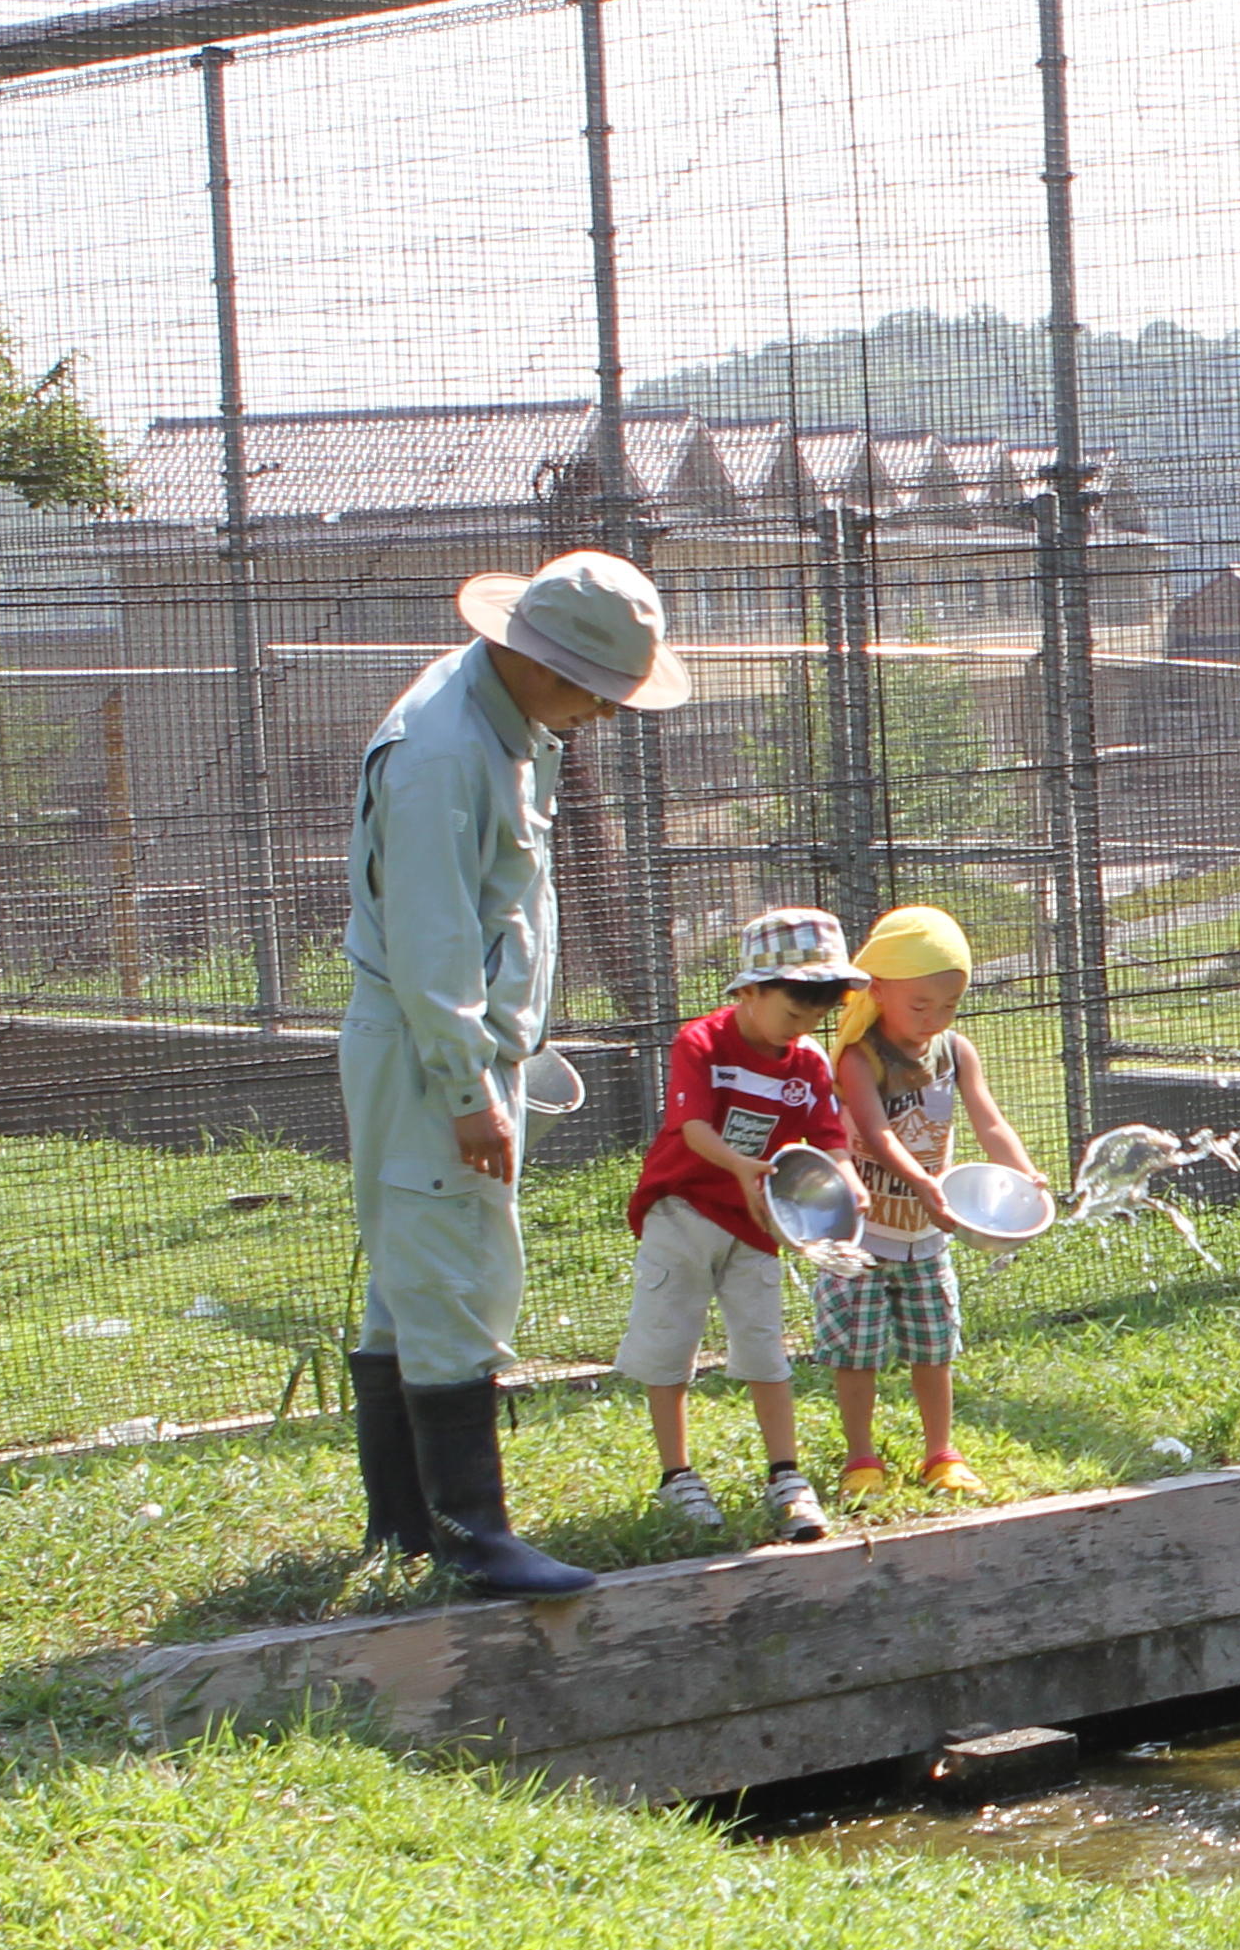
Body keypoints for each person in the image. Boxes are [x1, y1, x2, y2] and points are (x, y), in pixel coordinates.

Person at [337, 548, 690, 1599]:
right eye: (601, 692)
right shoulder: (446, 755)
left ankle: (404, 1526)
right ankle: (474, 1539)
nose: (607, 715)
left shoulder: (504, 722)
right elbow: (434, 942)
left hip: (453, 1045)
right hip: (426, 1051)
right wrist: (468, 1089)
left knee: (412, 1280)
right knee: (452, 1269)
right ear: (542, 661)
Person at [622, 905, 862, 1541]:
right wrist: (741, 1167)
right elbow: (692, 1128)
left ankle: (786, 1476)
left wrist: (848, 1181)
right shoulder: (701, 1042)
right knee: (671, 1341)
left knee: (765, 1346)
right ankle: (678, 1475)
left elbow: (828, 1136)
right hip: (682, 1210)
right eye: (792, 1012)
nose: (802, 1029)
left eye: (816, 1017)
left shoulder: (806, 1062)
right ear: (749, 990)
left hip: (758, 1225)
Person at [822, 903, 1041, 1500]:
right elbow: (877, 1132)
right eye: (920, 1005)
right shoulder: (858, 1058)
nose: (934, 1018)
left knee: (934, 1345)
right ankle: (861, 1459)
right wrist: (922, 1181)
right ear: (880, 989)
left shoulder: (955, 1051)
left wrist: (1023, 1171)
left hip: (926, 1233)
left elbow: (989, 1122)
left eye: (948, 1005)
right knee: (857, 1351)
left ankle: (941, 1453)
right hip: (862, 1234)